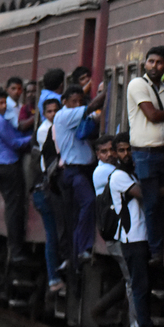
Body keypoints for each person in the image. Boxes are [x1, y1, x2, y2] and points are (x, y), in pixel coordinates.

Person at [95, 132, 164, 327]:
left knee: (142, 287)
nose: (126, 154)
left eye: (129, 149)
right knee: (139, 287)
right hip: (131, 239)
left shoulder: (132, 174)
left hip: (141, 238)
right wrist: (162, 189)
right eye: (121, 150)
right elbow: (144, 195)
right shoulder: (119, 177)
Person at [126, 46, 164, 262]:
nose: (154, 66)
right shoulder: (137, 84)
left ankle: (159, 245)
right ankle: (154, 250)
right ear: (144, 64)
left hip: (163, 151)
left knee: (163, 200)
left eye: (159, 63)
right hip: (144, 153)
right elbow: (153, 115)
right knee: (153, 202)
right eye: (151, 62)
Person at [54, 84, 107, 261]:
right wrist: (108, 92)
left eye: (80, 101)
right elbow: (92, 107)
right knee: (89, 202)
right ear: (64, 102)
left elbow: (95, 118)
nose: (77, 105)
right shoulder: (63, 115)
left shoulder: (75, 118)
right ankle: (84, 248)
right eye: (73, 101)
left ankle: (79, 251)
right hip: (74, 172)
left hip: (82, 170)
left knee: (80, 212)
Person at [0, 88, 32, 263]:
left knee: (12, 207)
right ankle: (16, 249)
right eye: (0, 103)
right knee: (14, 209)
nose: (4, 106)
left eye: (5, 102)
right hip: (8, 167)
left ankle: (14, 247)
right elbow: (14, 142)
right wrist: (33, 138)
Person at [34, 98, 64, 292]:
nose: (53, 114)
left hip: (47, 188)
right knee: (53, 235)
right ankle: (54, 278)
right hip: (47, 189)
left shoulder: (54, 127)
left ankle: (56, 276)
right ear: (44, 114)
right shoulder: (46, 130)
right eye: (49, 111)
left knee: (54, 234)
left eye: (56, 111)